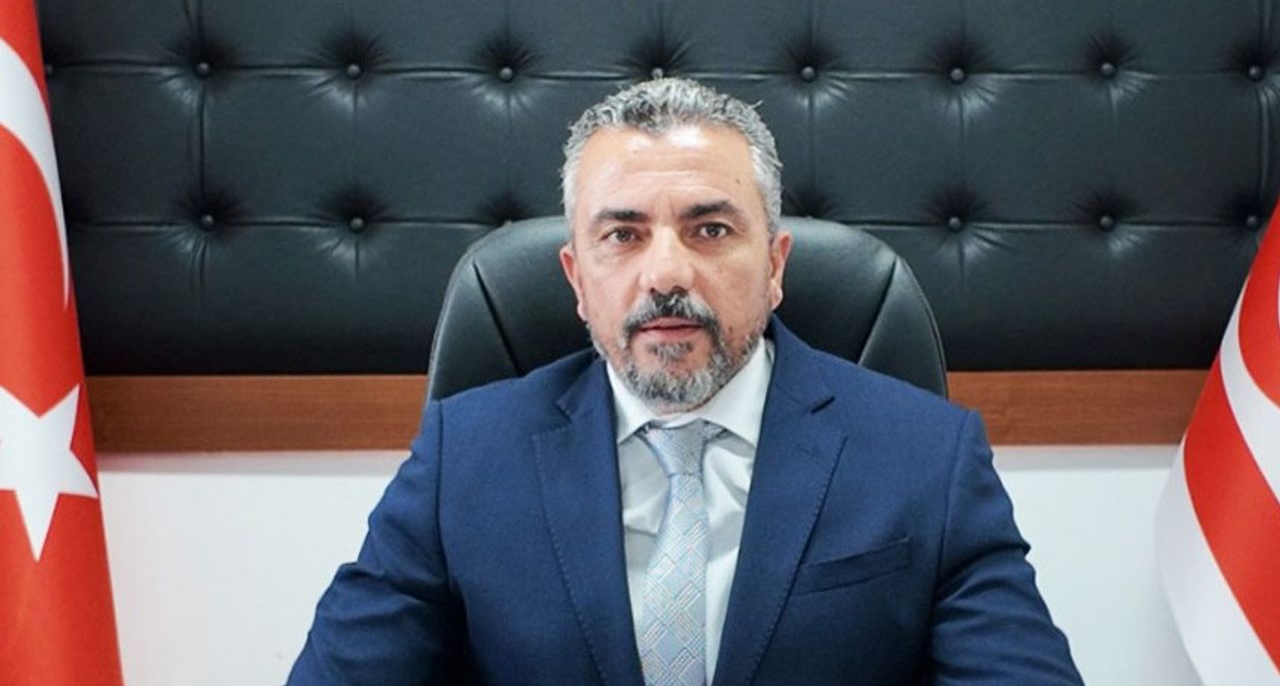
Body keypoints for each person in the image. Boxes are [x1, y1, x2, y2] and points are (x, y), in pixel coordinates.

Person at [287, 78, 1082, 685]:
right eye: (622, 235)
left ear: (774, 266)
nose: (666, 273)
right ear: (576, 278)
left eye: (710, 229)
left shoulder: (927, 457)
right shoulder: (463, 459)